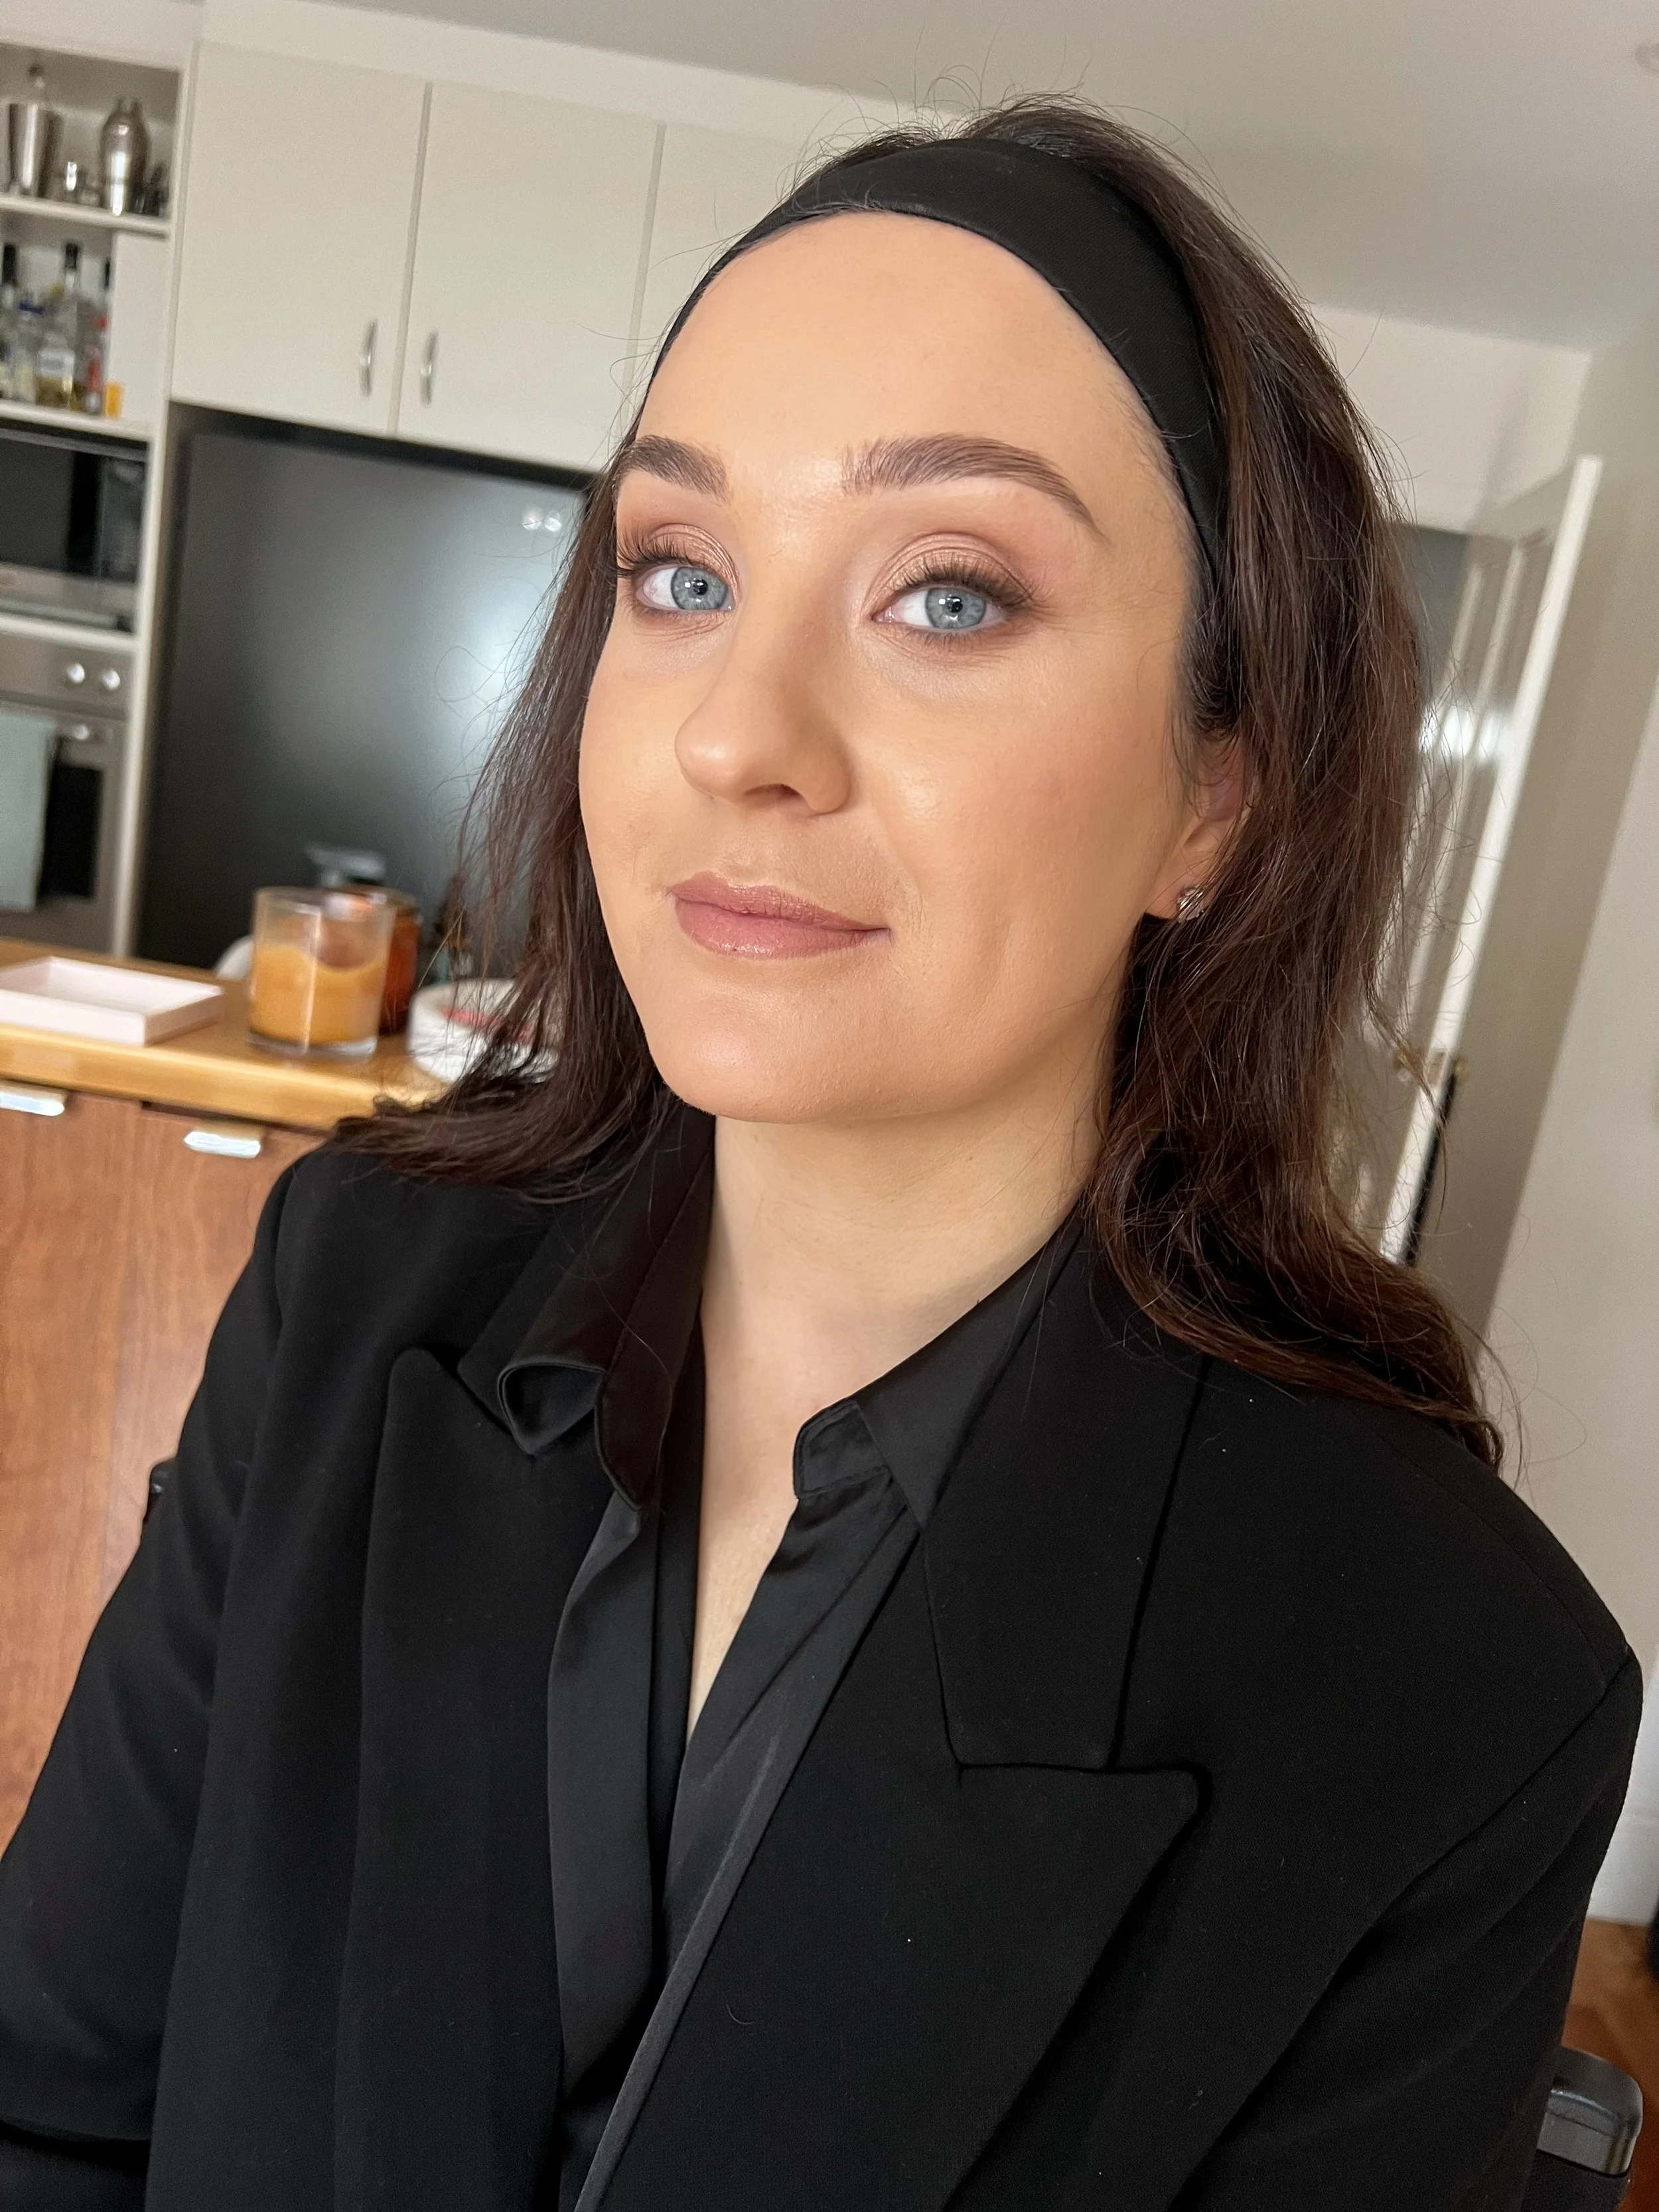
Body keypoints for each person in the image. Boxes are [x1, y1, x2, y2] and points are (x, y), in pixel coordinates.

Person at [0, 98, 1639, 2212]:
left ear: (1218, 793)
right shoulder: (355, 1284)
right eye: (679, 574)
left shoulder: (1441, 1683)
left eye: (947, 595)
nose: (731, 730)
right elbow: (46, 2101)